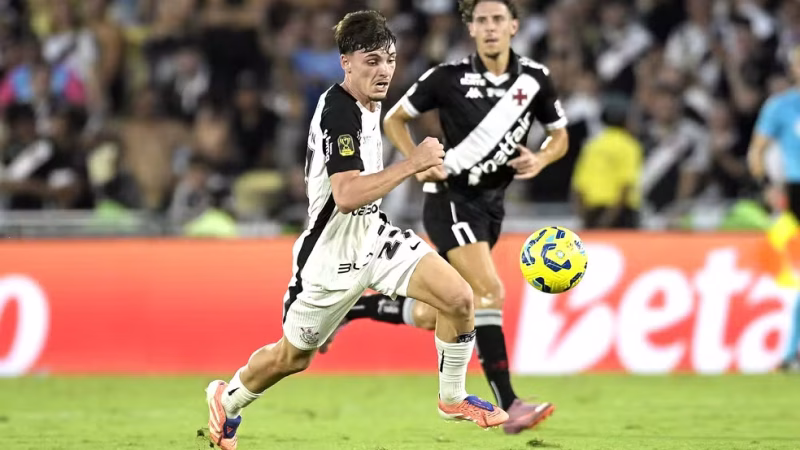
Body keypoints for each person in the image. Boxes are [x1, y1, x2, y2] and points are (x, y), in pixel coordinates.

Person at [204, 11, 508, 450]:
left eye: (389, 59)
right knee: (293, 358)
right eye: (371, 61)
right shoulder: (338, 113)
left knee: (459, 298)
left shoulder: (370, 101)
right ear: (346, 62)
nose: (384, 70)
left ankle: (453, 398)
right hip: (330, 257)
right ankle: (226, 398)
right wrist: (413, 163)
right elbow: (345, 194)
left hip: (375, 237)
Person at [323, 0, 568, 435]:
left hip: (492, 206)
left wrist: (543, 159)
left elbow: (559, 134)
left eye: (498, 19)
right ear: (470, 27)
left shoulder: (535, 79)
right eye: (481, 20)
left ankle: (359, 307)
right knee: (488, 291)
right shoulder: (447, 77)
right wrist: (418, 161)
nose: (490, 28)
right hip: (450, 198)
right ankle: (509, 404)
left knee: (441, 311)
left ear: (514, 25)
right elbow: (396, 119)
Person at [747, 45, 800, 372]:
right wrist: (767, 186)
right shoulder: (781, 107)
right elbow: (756, 153)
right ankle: (790, 352)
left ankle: (790, 353)